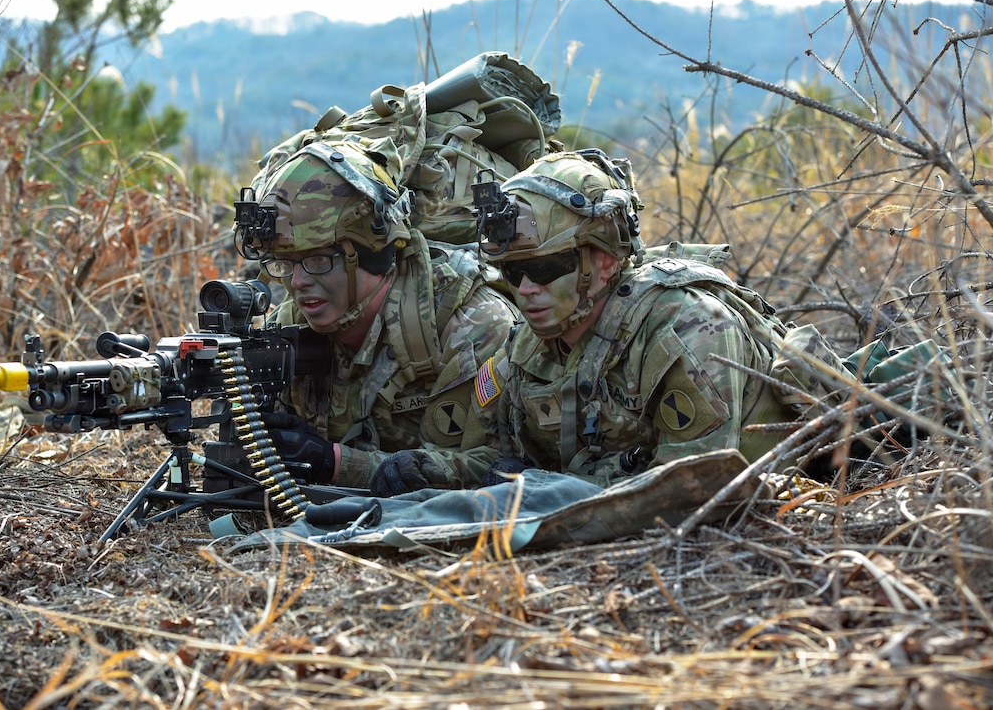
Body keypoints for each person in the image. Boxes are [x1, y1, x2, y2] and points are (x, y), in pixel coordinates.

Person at [369, 148, 834, 495]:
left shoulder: (688, 328)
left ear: (605, 261)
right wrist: (433, 471)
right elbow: (497, 459)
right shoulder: (524, 347)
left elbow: (694, 487)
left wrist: (551, 486)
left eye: (547, 268)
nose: (527, 288)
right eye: (513, 272)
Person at [223, 137, 520, 493]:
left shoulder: (471, 325)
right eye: (285, 264)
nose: (298, 282)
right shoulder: (289, 327)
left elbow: (501, 469)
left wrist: (335, 464)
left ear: (371, 256)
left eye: (319, 260)